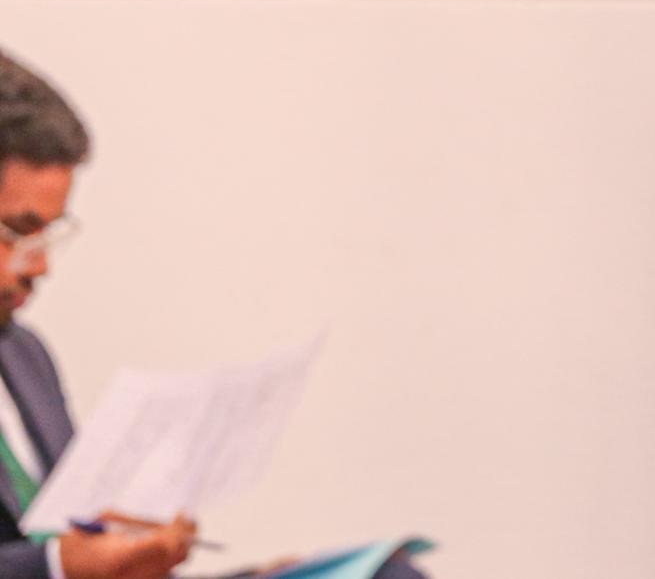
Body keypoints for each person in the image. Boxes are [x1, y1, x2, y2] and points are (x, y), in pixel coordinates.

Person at [0, 52, 428, 579]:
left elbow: (75, 538)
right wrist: (56, 566)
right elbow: (61, 561)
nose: (39, 264)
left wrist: (129, 545)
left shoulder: (23, 355)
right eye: (17, 233)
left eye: (48, 235)